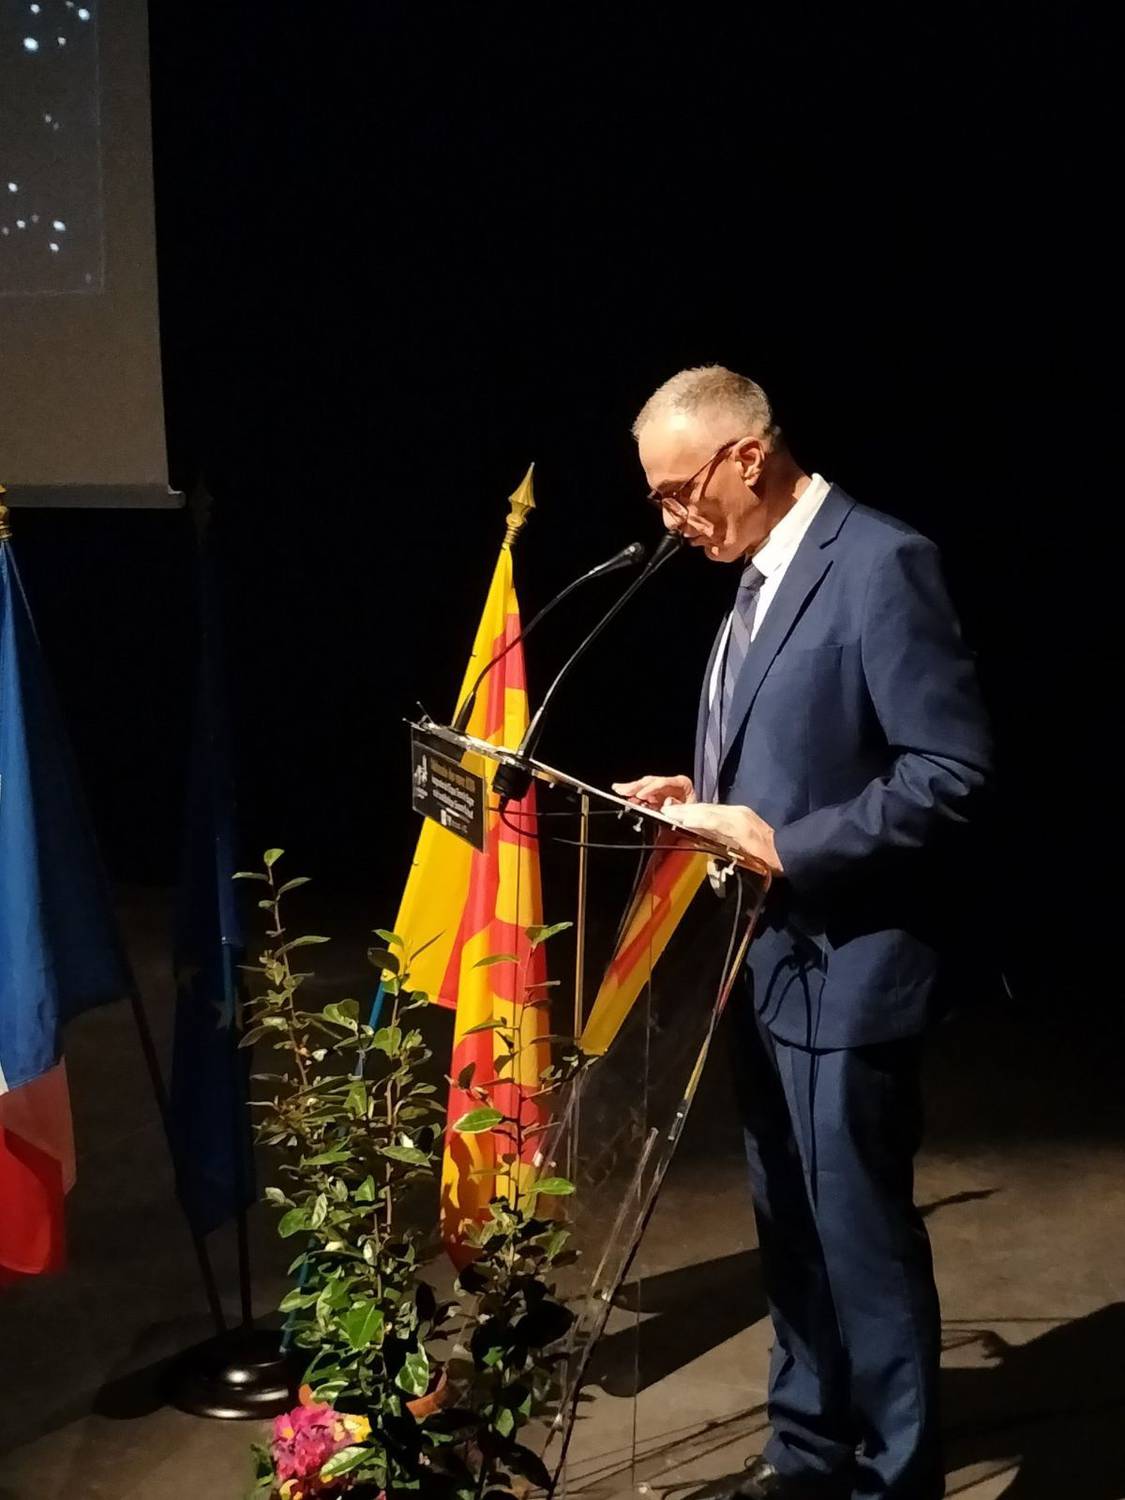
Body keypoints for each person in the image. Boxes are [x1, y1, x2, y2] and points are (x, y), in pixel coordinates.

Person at [613, 366, 992, 1500]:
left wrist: (786, 844)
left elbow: (951, 772)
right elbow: (788, 752)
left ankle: (894, 1479)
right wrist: (701, 795)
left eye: (683, 491)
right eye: (658, 502)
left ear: (747, 456)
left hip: (852, 968)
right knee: (790, 1235)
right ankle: (808, 1454)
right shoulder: (751, 577)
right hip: (760, 965)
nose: (675, 521)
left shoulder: (882, 564)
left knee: (861, 1250)